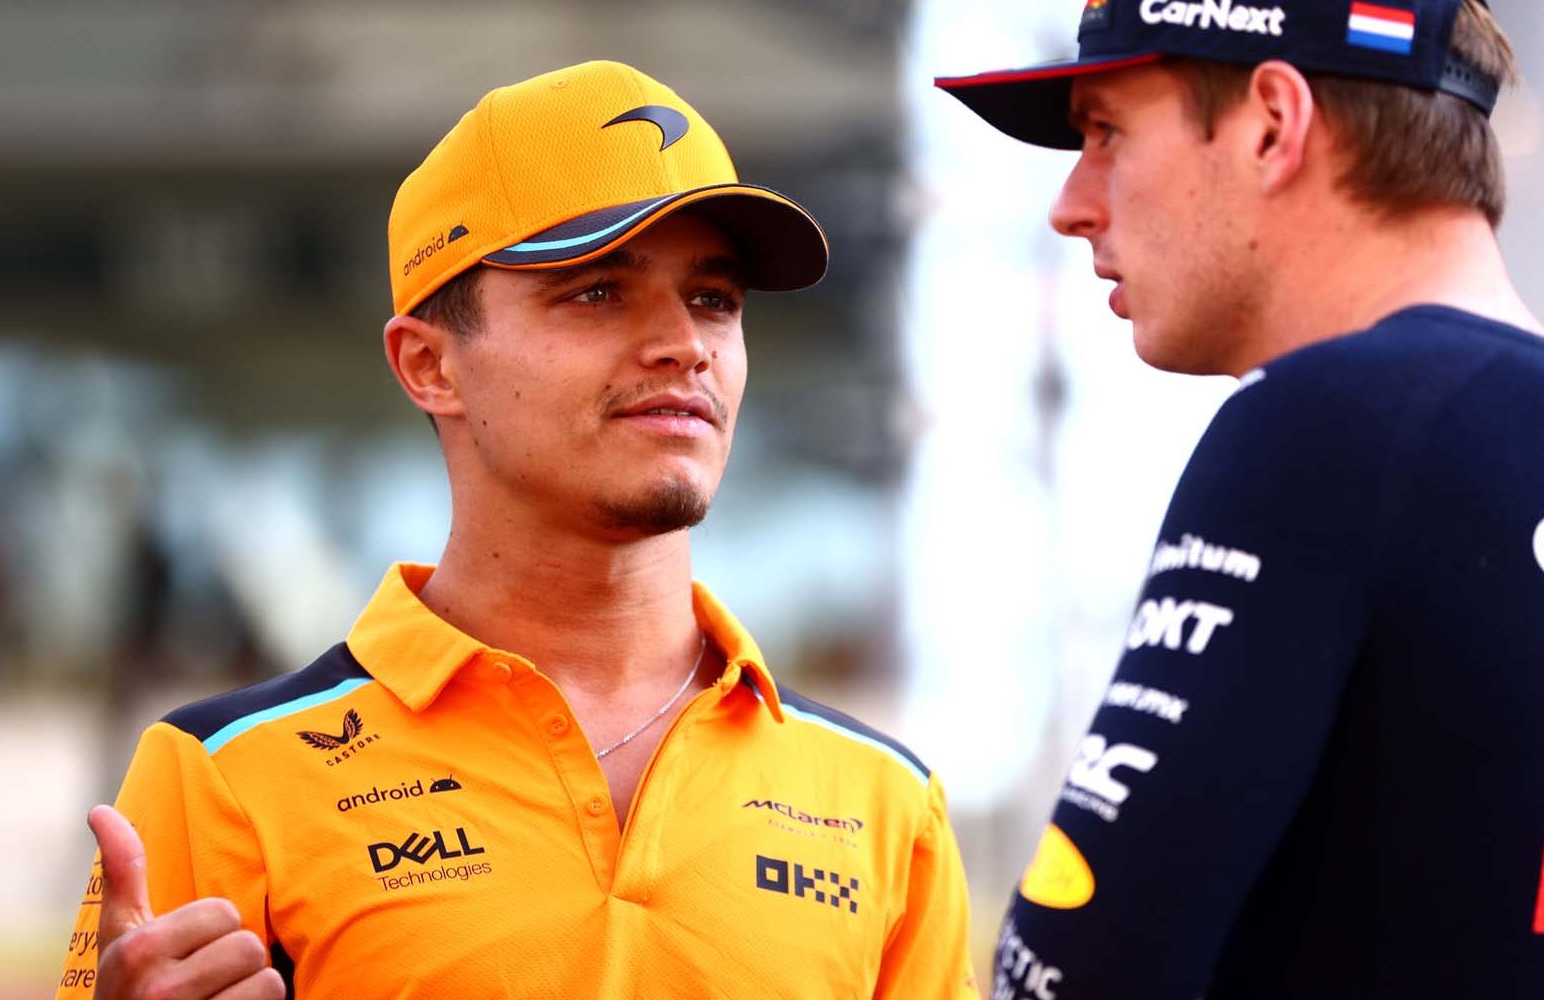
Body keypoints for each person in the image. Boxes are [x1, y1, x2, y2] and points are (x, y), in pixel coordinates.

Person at [935, 1, 1544, 997]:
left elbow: (1078, 958)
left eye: (1107, 134)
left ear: (1274, 123)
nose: (1071, 201)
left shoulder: (1330, 419)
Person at [56, 60, 978, 1000]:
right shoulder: (225, 775)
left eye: (715, 299)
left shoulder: (885, 803)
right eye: (597, 292)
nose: (685, 343)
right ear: (430, 366)